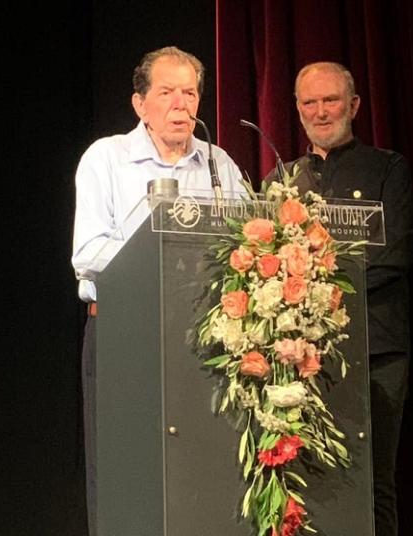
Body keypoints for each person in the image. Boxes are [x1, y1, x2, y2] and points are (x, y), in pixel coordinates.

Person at [70, 46, 245, 536]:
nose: (180, 104)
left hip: (206, 341)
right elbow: (87, 253)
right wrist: (160, 258)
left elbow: (248, 242)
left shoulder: (218, 164)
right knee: (127, 477)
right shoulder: (107, 159)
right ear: (140, 103)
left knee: (201, 473)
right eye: (167, 92)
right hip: (126, 334)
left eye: (189, 93)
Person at [274, 61, 413, 536]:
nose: (320, 111)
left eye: (331, 100)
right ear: (297, 110)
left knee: (374, 480)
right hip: (302, 357)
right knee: (308, 480)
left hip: (377, 349)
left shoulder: (388, 168)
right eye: (310, 102)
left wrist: (323, 294)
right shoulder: (282, 180)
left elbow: (397, 251)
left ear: (353, 106)